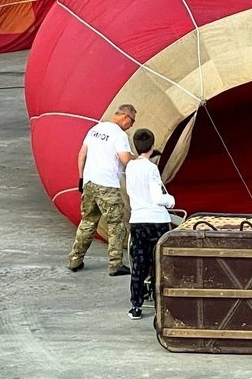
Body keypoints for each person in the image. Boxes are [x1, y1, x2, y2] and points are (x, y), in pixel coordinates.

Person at [68, 104, 137, 276]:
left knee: (88, 221)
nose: (131, 125)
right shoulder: (119, 135)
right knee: (116, 224)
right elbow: (125, 159)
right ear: (125, 116)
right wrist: (139, 158)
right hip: (108, 185)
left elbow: (82, 154)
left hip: (90, 182)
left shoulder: (95, 129)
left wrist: (81, 178)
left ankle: (75, 259)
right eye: (132, 121)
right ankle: (115, 264)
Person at [125, 128, 175, 320]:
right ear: (152, 146)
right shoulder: (151, 169)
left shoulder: (130, 167)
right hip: (156, 221)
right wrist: (170, 200)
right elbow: (157, 198)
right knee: (159, 263)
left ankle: (136, 305)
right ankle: (160, 303)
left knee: (139, 264)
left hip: (137, 220)